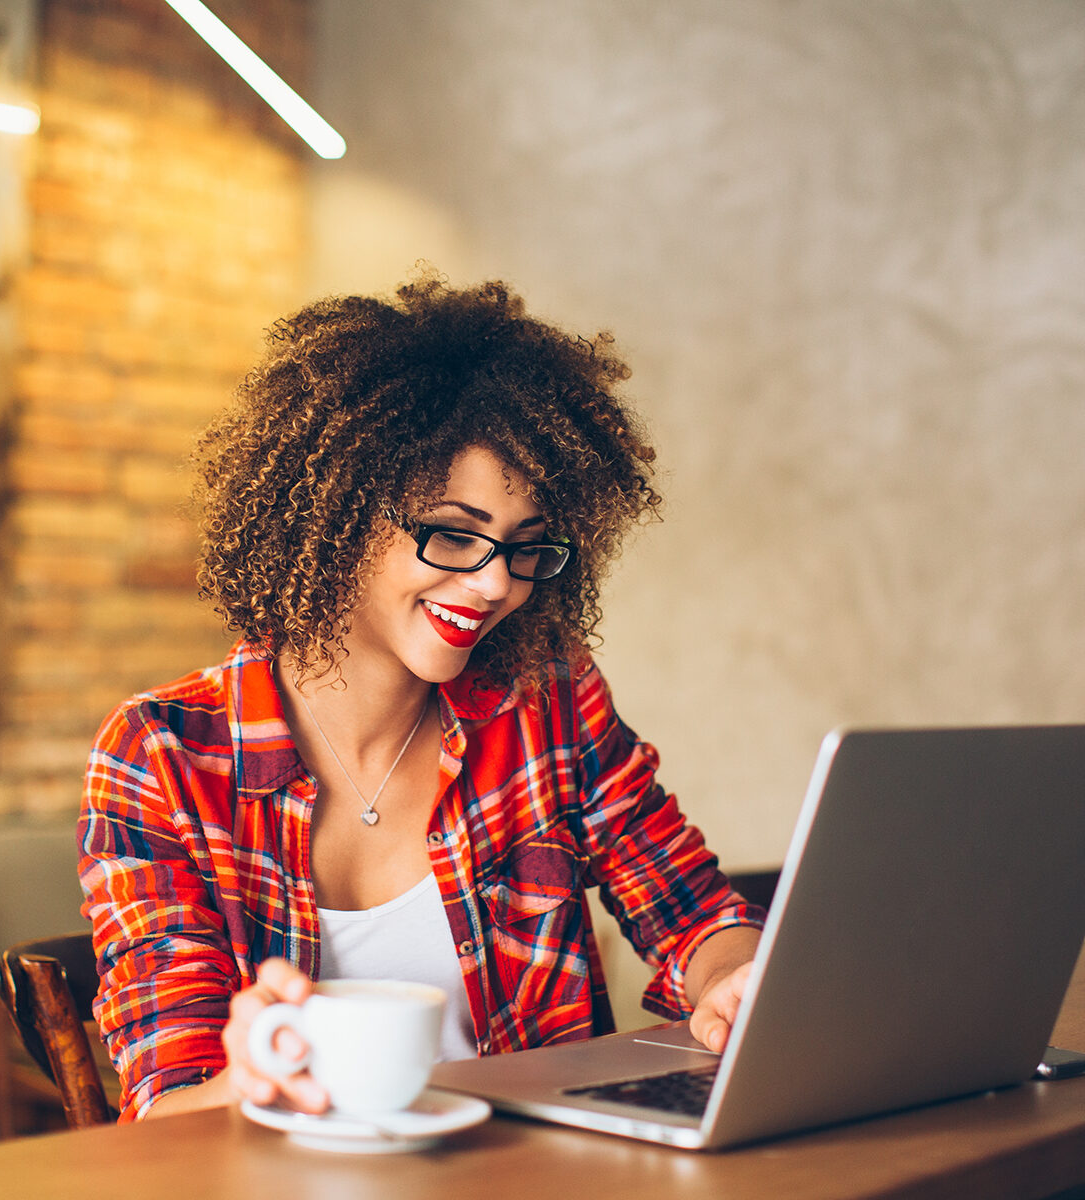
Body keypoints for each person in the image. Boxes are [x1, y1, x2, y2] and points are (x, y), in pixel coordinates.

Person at [78, 271, 764, 1123]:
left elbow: (695, 914)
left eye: (524, 548)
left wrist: (738, 979)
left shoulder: (547, 703)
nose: (491, 585)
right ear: (337, 509)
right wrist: (252, 1079)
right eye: (453, 534)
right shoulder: (166, 755)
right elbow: (168, 1111)